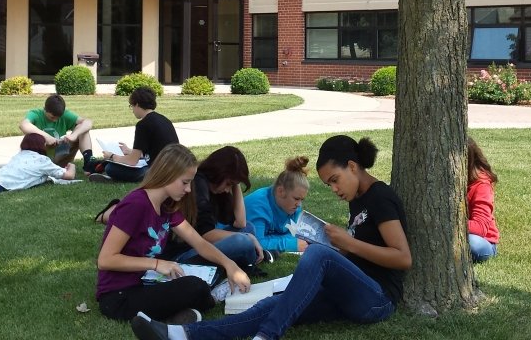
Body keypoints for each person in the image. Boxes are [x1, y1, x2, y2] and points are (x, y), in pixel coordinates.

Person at [131, 135, 412, 340]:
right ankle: (181, 334)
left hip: (378, 299)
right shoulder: (357, 200)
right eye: (329, 184)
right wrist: (339, 248)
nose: (334, 189)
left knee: (316, 255)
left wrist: (346, 244)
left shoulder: (379, 197)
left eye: (335, 180)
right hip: (350, 291)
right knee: (277, 302)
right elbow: (361, 253)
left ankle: (267, 336)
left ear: (353, 166)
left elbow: (402, 258)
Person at [96, 143, 252, 323]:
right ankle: (211, 297)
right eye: (185, 182)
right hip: (120, 295)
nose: (189, 190)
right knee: (195, 287)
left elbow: (199, 243)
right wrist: (156, 264)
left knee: (213, 263)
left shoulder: (168, 206)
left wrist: (230, 265)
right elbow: (105, 260)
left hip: (151, 281)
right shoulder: (136, 205)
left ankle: (182, 311)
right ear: (167, 174)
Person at [160, 146, 263, 270]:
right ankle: (253, 260)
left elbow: (240, 223)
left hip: (199, 245)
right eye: (228, 183)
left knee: (248, 228)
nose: (227, 189)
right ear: (218, 173)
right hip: (183, 253)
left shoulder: (216, 190)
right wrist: (248, 238)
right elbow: (207, 234)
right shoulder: (198, 184)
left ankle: (245, 259)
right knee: (243, 241)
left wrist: (235, 185)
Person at [84, 86, 179, 183]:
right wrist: (129, 151)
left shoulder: (143, 124)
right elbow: (155, 151)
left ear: (137, 104)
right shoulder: (164, 119)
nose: (132, 110)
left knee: (110, 168)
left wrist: (112, 156)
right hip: (175, 167)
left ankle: (114, 178)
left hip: (160, 172)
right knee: (116, 164)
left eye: (131, 106)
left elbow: (132, 161)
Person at [243, 156, 311, 255]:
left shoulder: (292, 206)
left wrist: (273, 239)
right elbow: (256, 243)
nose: (299, 205)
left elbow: (297, 235)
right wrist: (290, 244)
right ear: (280, 191)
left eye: (302, 199)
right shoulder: (258, 206)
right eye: (296, 199)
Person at [20, 93, 94, 166]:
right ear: (45, 109)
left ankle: (89, 163)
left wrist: (74, 135)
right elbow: (24, 125)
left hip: (59, 155)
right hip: (38, 158)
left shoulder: (65, 114)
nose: (55, 120)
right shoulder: (36, 114)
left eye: (58, 117)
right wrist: (47, 137)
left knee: (81, 128)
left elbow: (88, 122)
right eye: (52, 117)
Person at [466, 137, 500, 263]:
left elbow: (480, 227)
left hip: (484, 241)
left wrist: (448, 225)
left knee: (472, 244)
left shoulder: (481, 184)